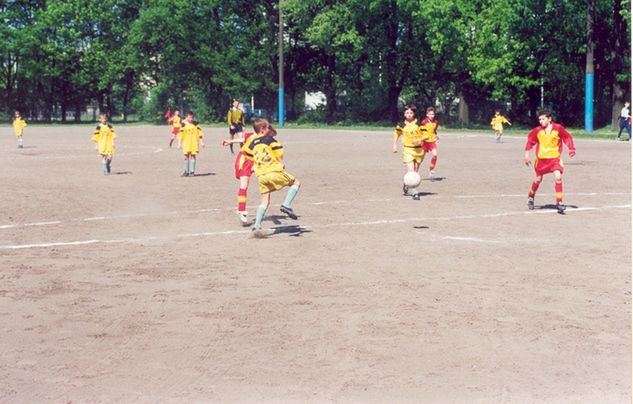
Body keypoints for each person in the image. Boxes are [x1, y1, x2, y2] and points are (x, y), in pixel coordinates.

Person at [242, 118, 300, 238]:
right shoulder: (269, 140)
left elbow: (248, 155)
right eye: (268, 127)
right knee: (296, 183)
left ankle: (257, 226)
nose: (269, 129)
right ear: (263, 129)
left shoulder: (251, 143)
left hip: (261, 175)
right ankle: (286, 205)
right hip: (273, 171)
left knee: (265, 200)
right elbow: (280, 154)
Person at [524, 109, 576, 214]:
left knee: (558, 177)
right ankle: (531, 196)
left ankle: (559, 202)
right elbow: (530, 141)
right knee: (538, 179)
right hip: (541, 160)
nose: (541, 121)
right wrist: (527, 154)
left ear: (549, 119)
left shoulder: (558, 128)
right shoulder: (537, 130)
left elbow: (567, 137)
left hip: (554, 159)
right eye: (539, 119)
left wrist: (571, 148)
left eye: (543, 119)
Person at [392, 104, 427, 200]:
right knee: (411, 170)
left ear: (414, 113)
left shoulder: (419, 124)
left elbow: (426, 135)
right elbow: (397, 134)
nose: (409, 114)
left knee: (415, 171)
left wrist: (419, 139)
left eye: (411, 112)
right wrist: (394, 144)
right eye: (407, 112)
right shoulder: (401, 125)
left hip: (419, 150)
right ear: (404, 113)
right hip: (408, 149)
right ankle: (414, 192)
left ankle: (407, 184)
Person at [222, 129, 256, 226]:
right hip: (244, 159)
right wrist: (230, 141)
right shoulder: (252, 135)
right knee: (244, 183)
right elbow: (243, 139)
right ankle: (242, 211)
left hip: (256, 161)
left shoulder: (266, 138)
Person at [177, 112, 205, 177]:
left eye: (192, 117)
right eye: (189, 117)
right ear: (186, 117)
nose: (191, 119)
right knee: (186, 156)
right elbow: (180, 134)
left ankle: (192, 171)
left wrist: (201, 142)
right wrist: (179, 143)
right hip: (186, 143)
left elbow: (200, 133)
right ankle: (186, 171)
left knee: (193, 156)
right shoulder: (183, 124)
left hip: (194, 143)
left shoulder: (196, 124)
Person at [420, 107, 440, 178]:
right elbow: (420, 131)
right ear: (427, 115)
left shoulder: (436, 122)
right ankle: (415, 171)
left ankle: (431, 170)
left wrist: (436, 136)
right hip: (425, 142)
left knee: (435, 155)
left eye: (433, 114)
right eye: (430, 114)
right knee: (421, 158)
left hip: (432, 141)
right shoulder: (424, 122)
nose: (432, 115)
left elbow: (434, 130)